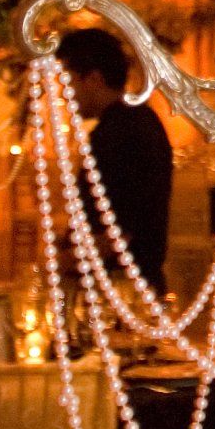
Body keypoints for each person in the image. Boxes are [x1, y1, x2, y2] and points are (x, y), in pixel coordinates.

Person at [56, 26, 172, 291]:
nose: (65, 95)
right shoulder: (141, 120)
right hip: (134, 283)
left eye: (69, 82)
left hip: (121, 289)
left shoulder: (117, 133)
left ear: (94, 79)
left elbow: (117, 229)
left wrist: (59, 264)